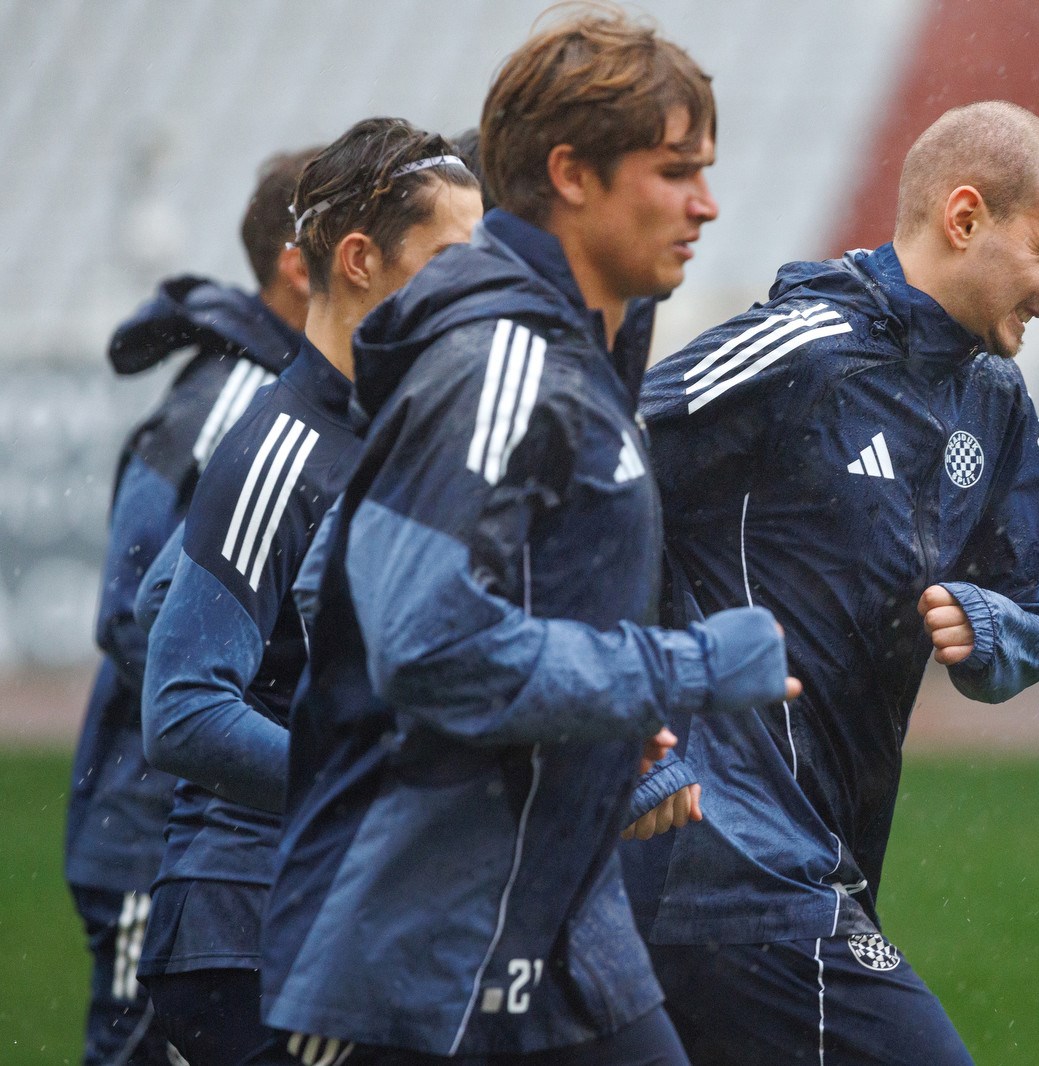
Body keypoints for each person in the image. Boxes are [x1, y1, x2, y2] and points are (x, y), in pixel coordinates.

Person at [253, 9, 794, 1064]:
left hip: (553, 929)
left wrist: (596, 719)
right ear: (571, 174)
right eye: (675, 171)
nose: (706, 203)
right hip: (421, 955)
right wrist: (679, 669)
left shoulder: (583, 354)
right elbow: (425, 643)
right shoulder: (498, 363)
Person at [621, 100, 1039, 1065]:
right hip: (725, 856)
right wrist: (630, 716)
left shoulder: (992, 399)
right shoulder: (799, 349)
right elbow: (583, 486)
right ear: (965, 218)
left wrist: (994, 629)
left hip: (824, 859)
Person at [135, 118, 482, 1066]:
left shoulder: (394, 432)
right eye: (451, 263)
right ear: (360, 261)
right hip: (253, 927)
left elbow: (162, 599)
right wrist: (384, 786)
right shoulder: (285, 448)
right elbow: (182, 706)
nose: (477, 291)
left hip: (346, 917)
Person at [64, 146, 315, 1066]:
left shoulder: (296, 393)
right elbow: (132, 607)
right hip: (153, 826)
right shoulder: (237, 398)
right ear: (302, 263)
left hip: (219, 830)